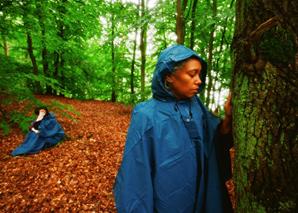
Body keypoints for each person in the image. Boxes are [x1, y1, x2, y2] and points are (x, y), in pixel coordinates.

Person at [113, 44, 234, 212]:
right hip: (167, 201)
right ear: (169, 76)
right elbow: (136, 174)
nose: (199, 80)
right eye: (192, 74)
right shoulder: (146, 114)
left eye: (199, 74)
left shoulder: (197, 107)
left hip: (201, 199)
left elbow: (215, 142)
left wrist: (228, 117)